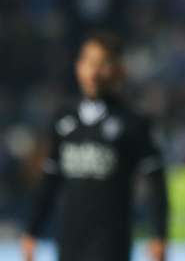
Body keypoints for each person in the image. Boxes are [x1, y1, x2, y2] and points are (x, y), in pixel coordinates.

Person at [21, 33, 169, 261]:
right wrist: (32, 231)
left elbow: (155, 182)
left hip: (111, 242)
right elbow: (51, 179)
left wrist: (159, 234)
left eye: (102, 64)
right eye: (88, 62)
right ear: (78, 66)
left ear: (119, 70)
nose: (94, 72)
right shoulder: (64, 119)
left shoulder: (134, 122)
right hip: (69, 241)